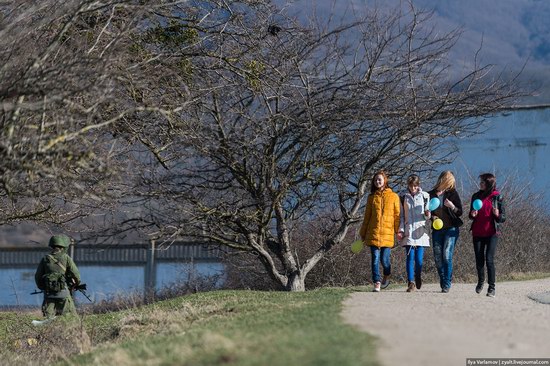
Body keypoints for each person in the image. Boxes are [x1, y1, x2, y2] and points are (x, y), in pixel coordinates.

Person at [359, 170, 400, 292]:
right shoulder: (371, 198)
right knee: (375, 258)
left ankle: (387, 274)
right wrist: (363, 232)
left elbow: (397, 215)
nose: (377, 181)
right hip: (373, 233)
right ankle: (376, 282)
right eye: (376, 180)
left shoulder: (394, 196)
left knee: (385, 260)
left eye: (379, 179)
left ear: (385, 180)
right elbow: (367, 217)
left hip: (387, 234)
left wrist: (398, 231)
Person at [469, 173, 506, 298]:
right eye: (480, 182)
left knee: (489, 260)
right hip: (478, 233)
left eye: (483, 182)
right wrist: (472, 214)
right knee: (479, 260)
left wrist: (497, 214)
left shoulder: (497, 197)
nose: (480, 184)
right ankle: (480, 282)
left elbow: (503, 218)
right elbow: (470, 214)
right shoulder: (476, 196)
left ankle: (491, 287)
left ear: (489, 184)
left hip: (492, 233)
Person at [428, 171, 463, 293]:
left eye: (451, 184)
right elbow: (427, 211)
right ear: (443, 180)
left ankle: (447, 283)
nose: (450, 186)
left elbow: (460, 212)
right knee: (438, 258)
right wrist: (432, 217)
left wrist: (452, 206)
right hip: (437, 230)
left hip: (451, 229)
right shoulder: (430, 194)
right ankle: (443, 280)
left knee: (447, 255)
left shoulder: (452, 193)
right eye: (448, 183)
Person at [34, 235, 81, 318]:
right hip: (64, 293)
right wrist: (76, 284)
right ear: (64, 247)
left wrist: (42, 287)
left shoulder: (45, 259)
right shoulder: (66, 258)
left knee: (47, 318)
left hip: (48, 293)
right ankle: (69, 330)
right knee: (69, 317)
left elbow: (38, 276)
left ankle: (46, 330)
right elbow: (76, 274)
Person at [398, 174, 431, 292]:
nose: (413, 188)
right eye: (411, 186)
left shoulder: (425, 196)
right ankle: (410, 282)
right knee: (410, 258)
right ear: (408, 185)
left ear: (418, 185)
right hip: (409, 231)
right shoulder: (402, 196)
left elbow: (428, 214)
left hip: (421, 231)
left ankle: (418, 275)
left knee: (419, 260)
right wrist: (401, 230)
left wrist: (428, 215)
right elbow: (401, 216)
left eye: (415, 186)